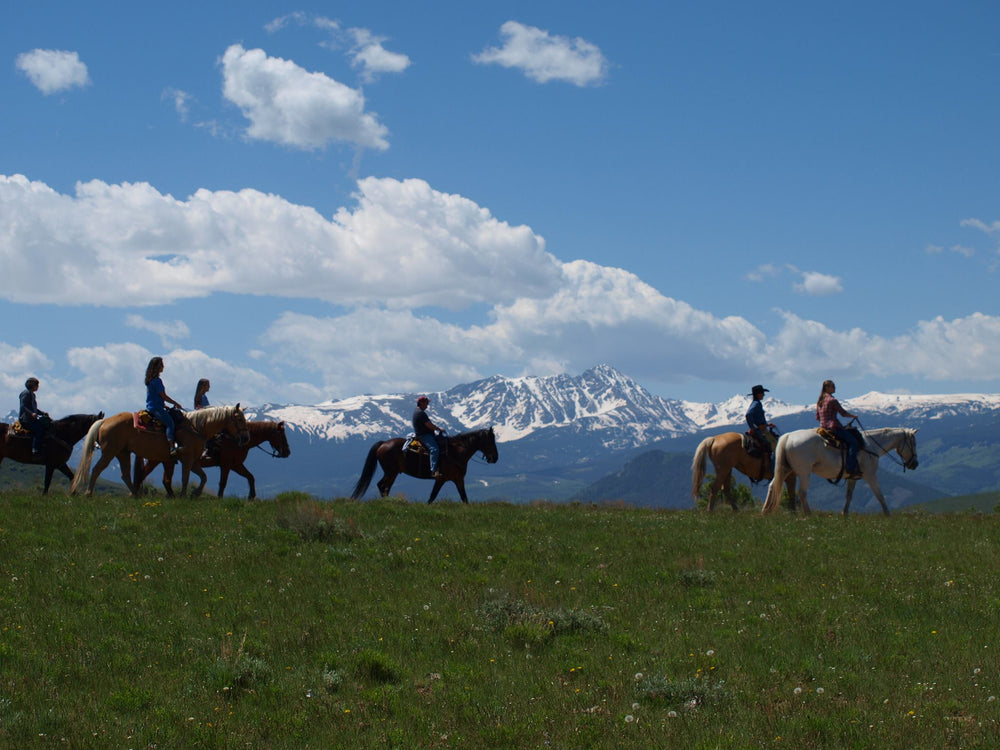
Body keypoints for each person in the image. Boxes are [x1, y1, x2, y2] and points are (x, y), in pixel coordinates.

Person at [815, 379, 861, 478]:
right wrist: (853, 416)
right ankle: (850, 468)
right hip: (834, 428)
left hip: (823, 428)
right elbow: (843, 413)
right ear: (827, 388)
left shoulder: (820, 401)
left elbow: (817, 417)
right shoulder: (832, 400)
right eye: (833, 386)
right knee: (854, 442)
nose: (835, 388)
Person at [145, 357, 184, 456]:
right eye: (161, 365)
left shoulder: (150, 380)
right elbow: (163, 396)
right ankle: (172, 447)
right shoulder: (157, 381)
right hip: (156, 408)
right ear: (158, 367)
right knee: (170, 423)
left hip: (153, 406)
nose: (163, 366)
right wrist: (175, 403)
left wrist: (164, 405)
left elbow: (154, 396)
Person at [412, 395, 444, 478]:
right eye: (426, 403)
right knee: (434, 449)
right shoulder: (421, 413)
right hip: (424, 435)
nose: (427, 405)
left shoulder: (417, 412)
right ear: (421, 403)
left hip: (425, 434)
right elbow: (428, 425)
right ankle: (433, 471)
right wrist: (438, 429)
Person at [19, 377, 51, 457]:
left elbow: (34, 408)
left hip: (31, 419)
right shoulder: (26, 393)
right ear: (32, 385)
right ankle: (35, 450)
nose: (38, 387)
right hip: (26, 420)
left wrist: (42, 413)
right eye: (37, 385)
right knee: (39, 429)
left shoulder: (32, 394)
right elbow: (23, 406)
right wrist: (31, 413)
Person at [745, 384, 778, 454]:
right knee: (774, 446)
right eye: (762, 393)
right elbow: (748, 414)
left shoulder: (755, 403)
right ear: (758, 394)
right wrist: (753, 428)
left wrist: (767, 425)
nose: (764, 395)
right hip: (761, 431)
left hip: (761, 428)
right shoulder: (756, 404)